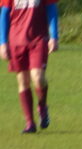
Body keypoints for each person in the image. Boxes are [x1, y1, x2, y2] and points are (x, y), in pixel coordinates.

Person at [0, 0, 58, 134]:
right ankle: (30, 123)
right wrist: (3, 42)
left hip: (38, 39)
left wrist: (54, 36)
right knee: (23, 81)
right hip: (16, 40)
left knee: (38, 78)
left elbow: (51, 9)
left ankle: (42, 107)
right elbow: (4, 14)